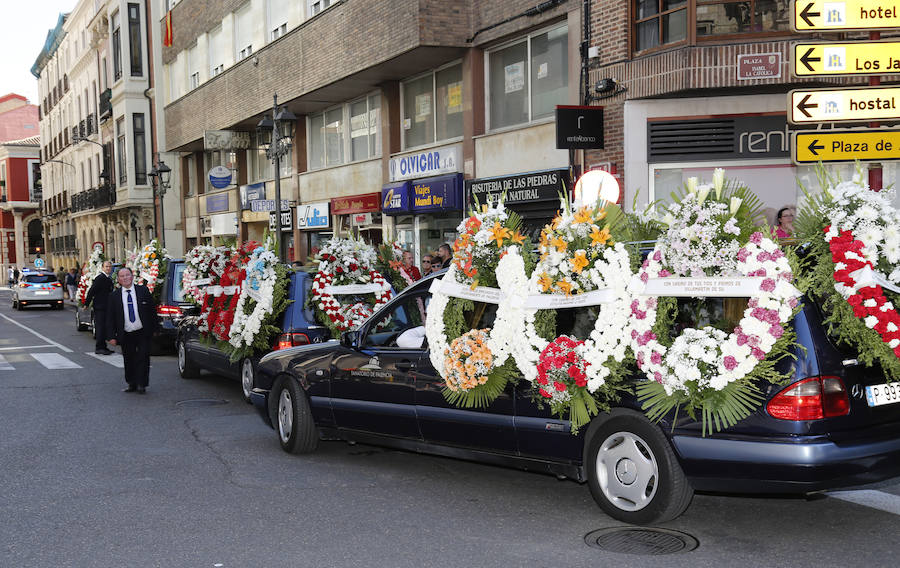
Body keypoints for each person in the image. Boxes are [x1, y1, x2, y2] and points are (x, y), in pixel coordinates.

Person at [106, 266, 157, 394]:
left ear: (132, 276)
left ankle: (142, 384)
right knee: (128, 359)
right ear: (118, 279)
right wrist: (111, 336)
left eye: (127, 275)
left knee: (143, 357)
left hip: (142, 331)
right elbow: (110, 317)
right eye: (122, 276)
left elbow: (152, 311)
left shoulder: (143, 291)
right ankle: (131, 383)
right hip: (126, 332)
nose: (125, 278)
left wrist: (155, 329)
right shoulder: (114, 296)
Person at [85, 260, 115, 355]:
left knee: (104, 327)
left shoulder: (108, 278)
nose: (108, 268)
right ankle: (99, 347)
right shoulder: (100, 278)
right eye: (106, 267)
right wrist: (86, 303)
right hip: (100, 306)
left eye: (110, 267)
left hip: (106, 306)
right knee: (100, 327)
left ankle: (103, 347)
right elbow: (92, 291)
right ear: (102, 268)